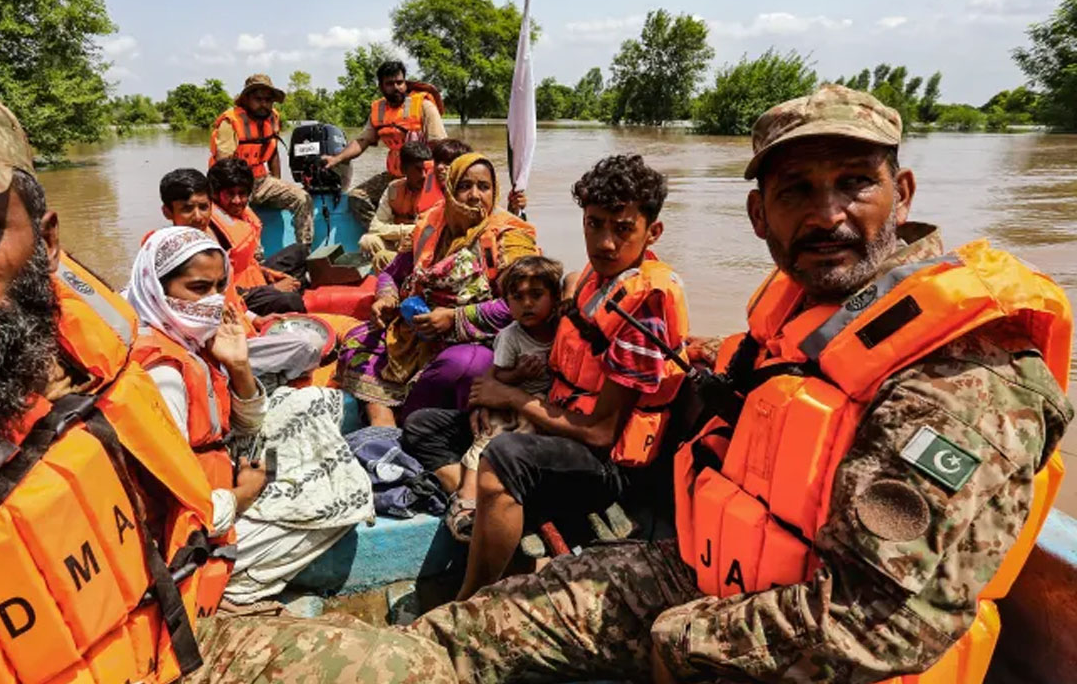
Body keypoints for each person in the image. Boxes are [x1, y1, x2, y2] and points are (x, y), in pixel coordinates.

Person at [0, 70, 456, 683]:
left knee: (416, 668)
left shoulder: (84, 353)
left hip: (170, 624)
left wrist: (242, 396)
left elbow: (179, 500)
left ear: (48, 241)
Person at [409, 85, 1073, 684]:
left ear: (902, 192)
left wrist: (684, 638)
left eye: (854, 183)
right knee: (453, 638)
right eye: (796, 192)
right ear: (759, 215)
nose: (827, 214)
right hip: (707, 569)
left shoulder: (966, 376)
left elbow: (877, 624)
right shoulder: (802, 306)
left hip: (791, 647)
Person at [405, 154, 688, 599]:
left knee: (504, 453)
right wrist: (495, 395)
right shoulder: (595, 280)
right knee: (424, 426)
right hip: (556, 419)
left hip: (603, 465)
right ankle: (485, 506)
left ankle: (470, 597)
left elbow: (599, 434)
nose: (606, 243)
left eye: (622, 228)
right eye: (595, 225)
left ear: (652, 232)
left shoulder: (643, 312)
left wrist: (511, 398)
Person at [126, 228, 374, 604]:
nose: (212, 302)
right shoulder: (163, 375)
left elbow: (243, 425)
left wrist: (240, 367)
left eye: (217, 287)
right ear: (155, 288)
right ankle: (229, 587)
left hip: (220, 472)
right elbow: (175, 502)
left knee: (306, 402)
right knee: (340, 502)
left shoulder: (190, 340)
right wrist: (245, 494)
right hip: (192, 529)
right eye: (197, 289)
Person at [338, 152, 538, 428]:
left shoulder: (509, 236)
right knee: (356, 342)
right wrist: (386, 297)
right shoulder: (431, 224)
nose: (475, 195)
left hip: (476, 339)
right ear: (450, 190)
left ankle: (406, 418)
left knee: (466, 366)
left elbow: (523, 306)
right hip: (414, 333)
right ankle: (382, 420)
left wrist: (453, 319)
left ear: (495, 191)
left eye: (484, 187)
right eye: (465, 186)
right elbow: (392, 272)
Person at [409, 254, 563, 543]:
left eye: (537, 295)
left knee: (509, 444)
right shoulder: (510, 336)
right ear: (507, 303)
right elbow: (499, 377)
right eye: (517, 298)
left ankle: (498, 502)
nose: (527, 304)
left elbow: (575, 280)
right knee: (485, 438)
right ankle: (467, 500)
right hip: (509, 403)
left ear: (556, 298)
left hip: (545, 409)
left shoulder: (563, 328)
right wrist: (518, 374)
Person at [154, 166, 323, 385]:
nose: (198, 217)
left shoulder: (208, 249)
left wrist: (255, 318)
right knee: (307, 346)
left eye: (203, 207)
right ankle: (260, 379)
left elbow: (228, 298)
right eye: (187, 209)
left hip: (239, 328)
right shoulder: (168, 259)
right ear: (168, 212)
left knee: (307, 343)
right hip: (218, 351)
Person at [320, 61, 447, 226]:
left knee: (421, 209)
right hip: (393, 174)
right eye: (390, 83)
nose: (396, 87)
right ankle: (382, 233)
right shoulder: (378, 110)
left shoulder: (424, 105)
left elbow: (441, 145)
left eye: (400, 82)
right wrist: (336, 159)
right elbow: (363, 140)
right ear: (381, 86)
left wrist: (438, 179)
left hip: (422, 175)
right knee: (357, 197)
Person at [209, 73, 315, 248]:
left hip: (261, 180)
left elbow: (273, 152)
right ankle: (255, 263)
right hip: (233, 185)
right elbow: (223, 167)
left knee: (303, 198)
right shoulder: (230, 122)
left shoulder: (273, 117)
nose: (264, 104)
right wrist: (237, 197)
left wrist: (277, 183)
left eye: (268, 100)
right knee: (249, 222)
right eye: (258, 99)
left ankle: (303, 251)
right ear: (246, 99)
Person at [206, 158, 307, 316]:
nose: (237, 201)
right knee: (290, 300)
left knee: (300, 252)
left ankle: (289, 291)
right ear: (215, 194)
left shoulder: (243, 214)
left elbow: (247, 261)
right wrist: (272, 289)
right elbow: (218, 290)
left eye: (242, 194)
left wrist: (267, 272)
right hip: (238, 295)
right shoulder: (210, 229)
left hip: (254, 277)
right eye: (230, 194)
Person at [358, 140, 443, 271]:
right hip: (399, 245)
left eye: (427, 169)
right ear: (403, 169)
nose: (424, 175)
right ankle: (393, 279)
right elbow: (375, 227)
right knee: (368, 241)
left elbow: (433, 231)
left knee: (382, 257)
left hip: (423, 249)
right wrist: (406, 231)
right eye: (418, 170)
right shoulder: (393, 189)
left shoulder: (436, 191)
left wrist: (409, 233)